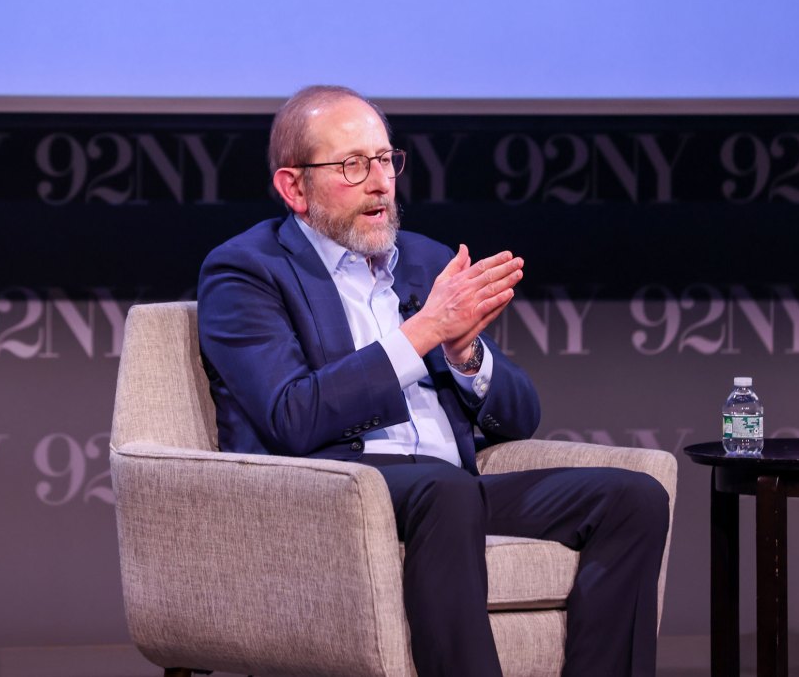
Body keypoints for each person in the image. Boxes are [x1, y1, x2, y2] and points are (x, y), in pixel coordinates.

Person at [197, 85, 669, 677]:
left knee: (632, 499)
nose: (379, 183)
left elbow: (520, 418)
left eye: (385, 160)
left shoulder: (424, 261)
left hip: (454, 493)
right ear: (294, 187)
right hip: (335, 490)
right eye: (352, 165)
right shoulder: (247, 271)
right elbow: (292, 417)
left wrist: (465, 352)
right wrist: (422, 333)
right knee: (444, 490)